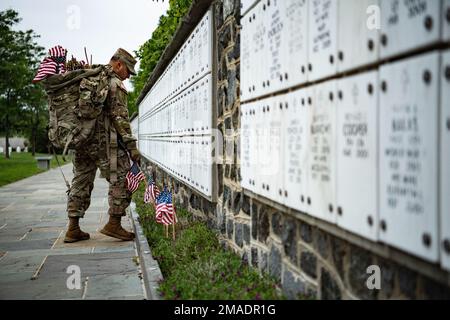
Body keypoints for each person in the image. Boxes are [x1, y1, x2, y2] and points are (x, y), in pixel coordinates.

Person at [64, 48, 141, 243]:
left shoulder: (89, 78)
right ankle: (113, 224)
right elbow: (120, 117)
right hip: (104, 144)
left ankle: (73, 228)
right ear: (118, 64)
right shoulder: (115, 83)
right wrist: (132, 147)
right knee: (125, 176)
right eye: (128, 71)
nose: (128, 76)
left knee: (80, 180)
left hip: (82, 139)